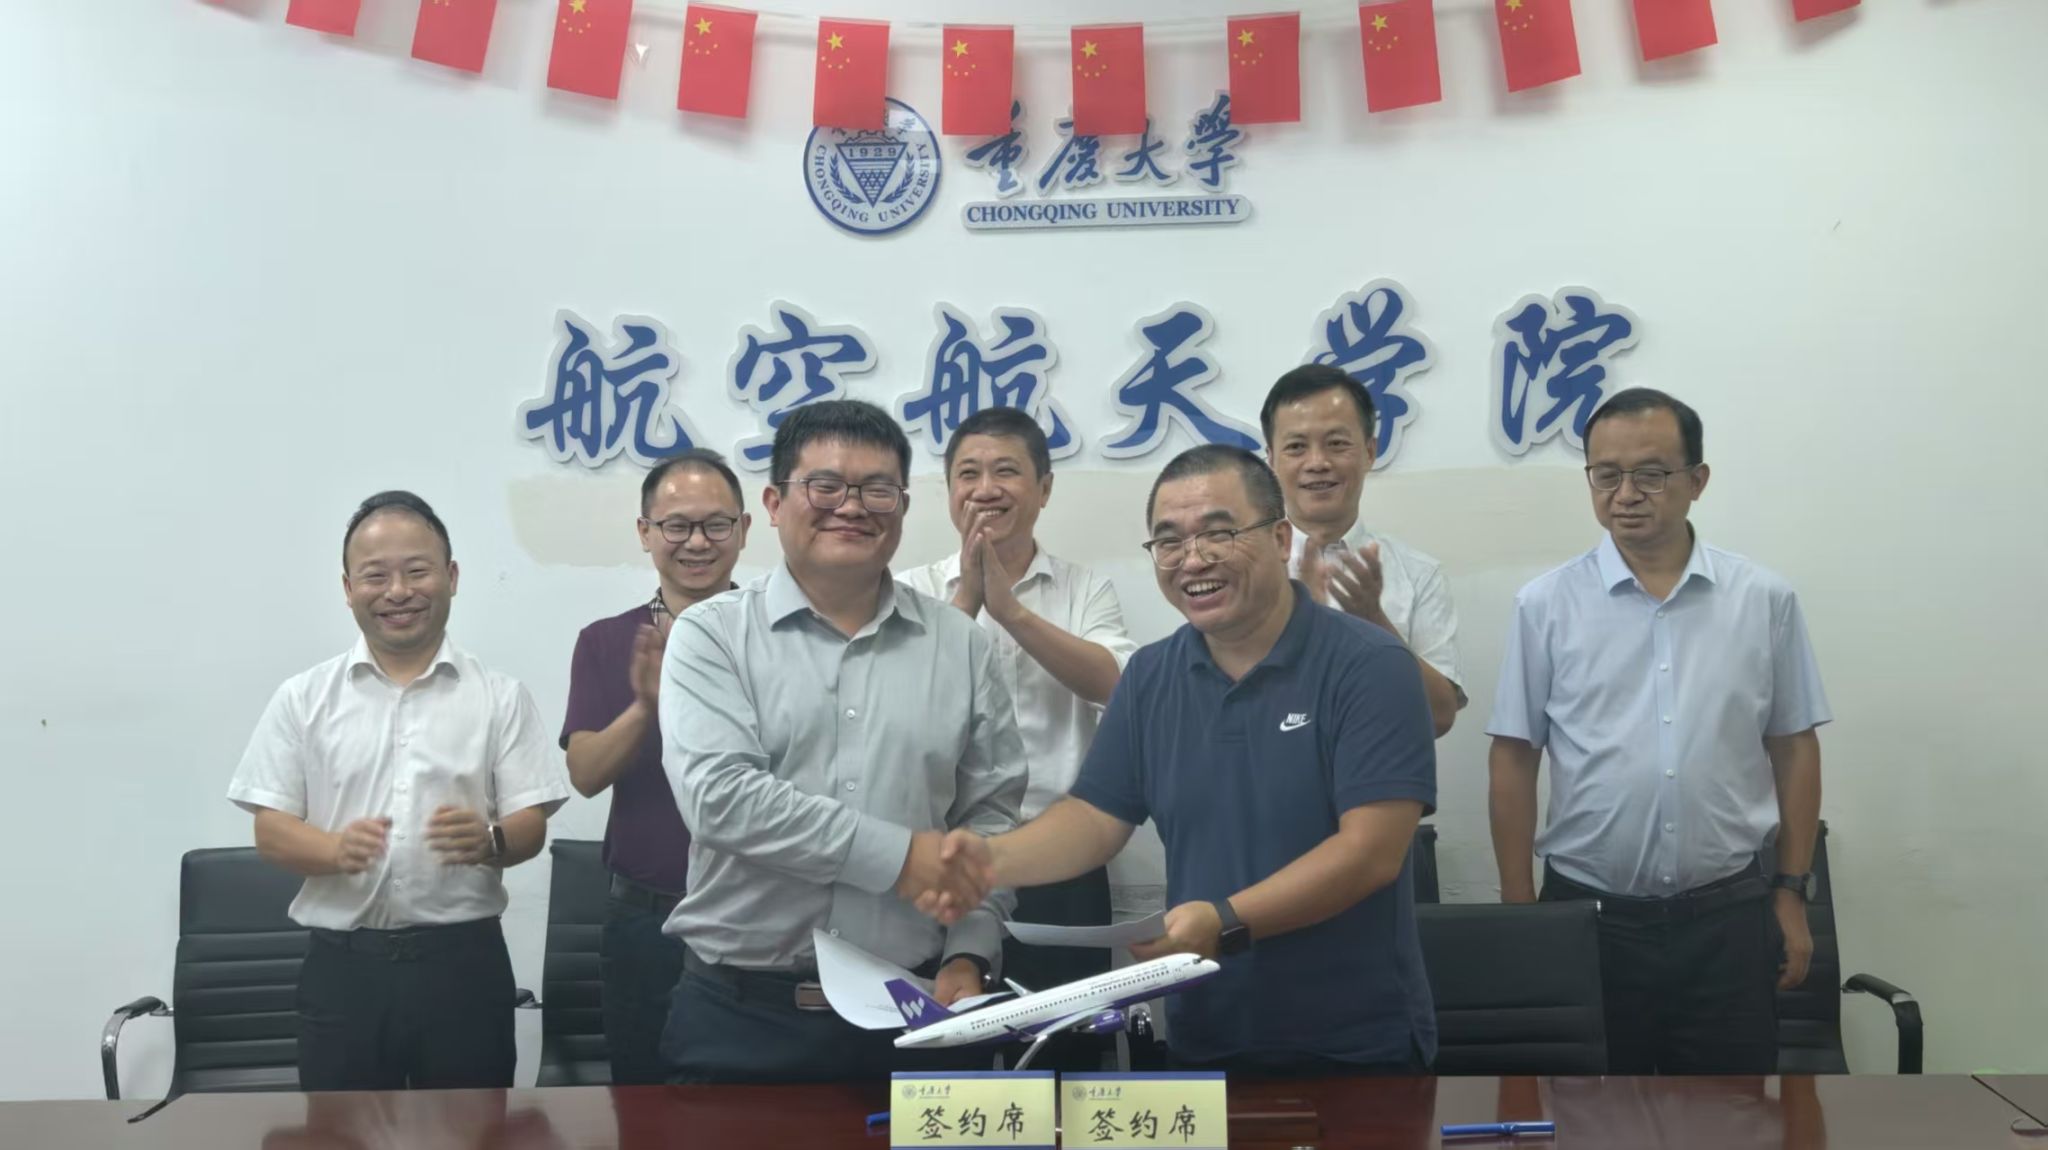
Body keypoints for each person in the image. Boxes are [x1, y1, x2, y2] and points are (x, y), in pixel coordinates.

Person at [922, 446, 1438, 1076]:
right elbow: (1095, 819)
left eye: (1219, 533)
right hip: (1208, 1031)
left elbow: (1371, 852)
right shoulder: (1151, 675)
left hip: (1356, 1041)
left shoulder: (1371, 665)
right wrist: (987, 862)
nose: (1193, 559)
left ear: (1280, 539)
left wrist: (1226, 921)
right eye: (1169, 541)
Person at [658, 399, 1027, 1084]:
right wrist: (901, 858)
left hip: (917, 1013)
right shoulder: (710, 635)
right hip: (742, 1020)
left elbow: (992, 816)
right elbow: (721, 799)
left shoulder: (961, 646)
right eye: (824, 486)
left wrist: (969, 951)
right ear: (774, 503)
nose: (851, 506)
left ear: (903, 506)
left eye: (877, 489)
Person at [1486, 387, 1830, 1075]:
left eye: (1650, 474)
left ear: (1696, 481)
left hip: (1728, 917)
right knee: (1588, 1115)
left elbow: (1794, 748)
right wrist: (1521, 912)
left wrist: (1791, 892)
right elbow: (1515, 757)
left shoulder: (1762, 599)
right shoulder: (1546, 605)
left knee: (1732, 1114)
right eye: (1605, 475)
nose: (1625, 495)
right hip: (1588, 919)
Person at [227, 491, 567, 1091]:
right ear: (348, 588)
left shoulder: (500, 696)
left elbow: (531, 825)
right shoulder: (304, 698)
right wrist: (334, 851)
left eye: (417, 571)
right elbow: (271, 830)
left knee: (473, 1128)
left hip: (464, 968)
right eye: (375, 576)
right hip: (344, 972)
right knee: (341, 1130)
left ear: (451, 577)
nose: (398, 591)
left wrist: (491, 840)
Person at [897, 407, 1137, 1001]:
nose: (986, 489)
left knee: (1066, 1043)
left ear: (1044, 488)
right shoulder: (909, 591)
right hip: (940, 862)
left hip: (1060, 858)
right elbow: (901, 706)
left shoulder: (1085, 589)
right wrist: (968, 600)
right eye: (968, 474)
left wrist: (1012, 613)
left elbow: (1116, 685)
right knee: (945, 1043)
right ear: (948, 490)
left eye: (1006, 471)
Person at [561, 448, 750, 1085]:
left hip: (756, 916)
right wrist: (647, 705)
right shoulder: (607, 640)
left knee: (760, 1105)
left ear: (744, 530)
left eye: (716, 524)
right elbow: (585, 773)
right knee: (645, 1101)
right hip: (647, 921)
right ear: (645, 532)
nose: (697, 542)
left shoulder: (779, 637)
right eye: (677, 525)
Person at [1261, 364, 1465, 737]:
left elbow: (1439, 716)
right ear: (1271, 459)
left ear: (1370, 452)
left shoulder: (1419, 574)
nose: (1317, 463)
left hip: (1381, 771)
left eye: (1337, 443)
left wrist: (1373, 622)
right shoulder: (1244, 570)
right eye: (1296, 447)